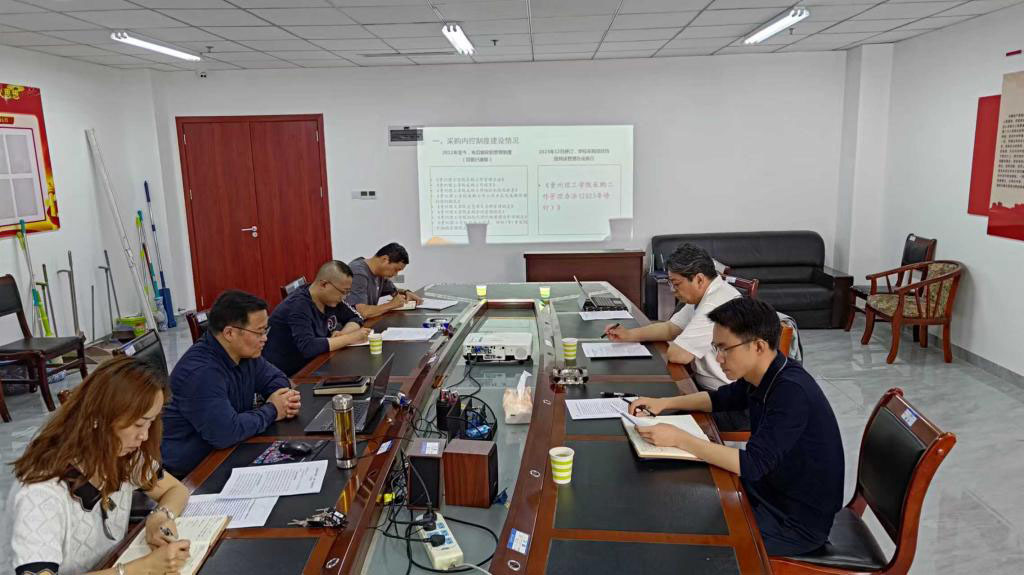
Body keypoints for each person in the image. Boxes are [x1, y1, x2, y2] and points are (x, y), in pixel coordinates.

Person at [627, 298, 844, 556]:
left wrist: (679, 439)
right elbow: (719, 399)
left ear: (758, 346)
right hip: (766, 492)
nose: (718, 358)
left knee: (690, 545)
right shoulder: (764, 372)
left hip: (794, 522)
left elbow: (752, 464)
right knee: (677, 500)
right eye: (716, 347)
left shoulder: (791, 392)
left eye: (725, 349)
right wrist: (664, 403)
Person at [4, 356, 192, 575]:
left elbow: (176, 489)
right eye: (138, 424)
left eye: (150, 422)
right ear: (98, 417)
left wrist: (160, 516)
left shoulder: (123, 455)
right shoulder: (41, 492)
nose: (144, 436)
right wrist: (142, 568)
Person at [161, 290, 301, 478]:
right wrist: (273, 409)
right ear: (229, 333)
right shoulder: (201, 372)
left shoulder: (245, 354)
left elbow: (278, 379)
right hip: (195, 473)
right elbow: (225, 433)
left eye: (265, 330)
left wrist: (283, 399)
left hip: (232, 448)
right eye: (259, 332)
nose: (265, 338)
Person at [605, 243, 740, 391]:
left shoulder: (715, 304)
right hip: (705, 386)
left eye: (676, 284)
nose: (672, 290)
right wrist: (628, 334)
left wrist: (679, 343)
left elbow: (679, 355)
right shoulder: (707, 293)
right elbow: (670, 328)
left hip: (723, 394)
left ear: (699, 280)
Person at [263, 260, 371, 376]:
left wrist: (342, 334)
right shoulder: (298, 306)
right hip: (287, 374)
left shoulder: (331, 300)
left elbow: (356, 317)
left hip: (316, 363)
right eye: (343, 292)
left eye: (347, 292)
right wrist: (350, 338)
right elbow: (308, 347)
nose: (344, 297)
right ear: (324, 284)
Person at [345, 242, 423, 319]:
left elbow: (393, 291)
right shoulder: (358, 273)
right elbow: (362, 312)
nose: (396, 274)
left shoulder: (380, 273)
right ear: (384, 259)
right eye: (396, 269)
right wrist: (391, 305)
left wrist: (406, 292)